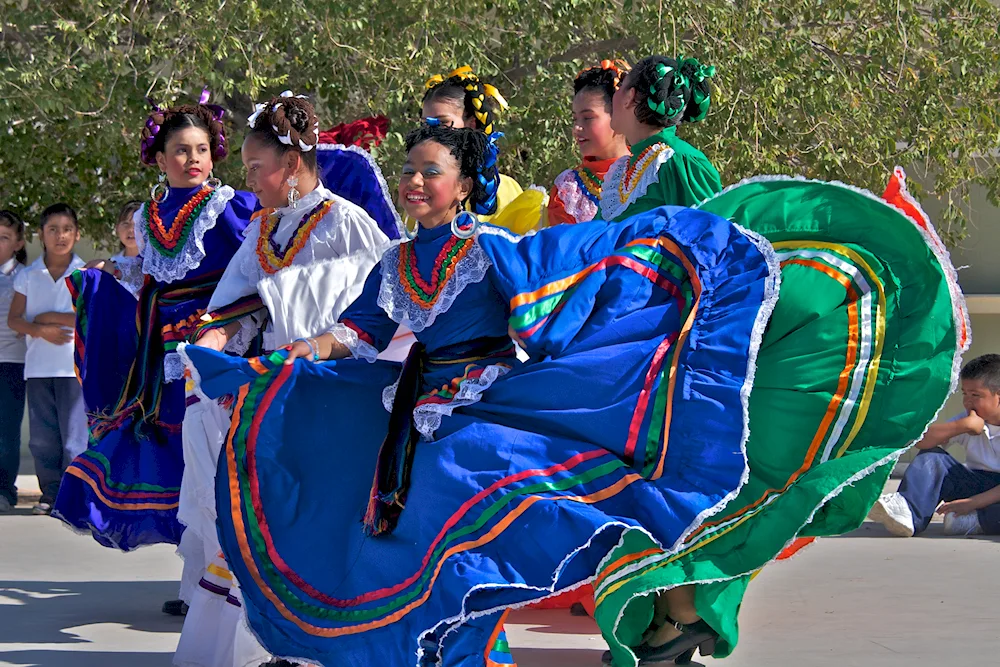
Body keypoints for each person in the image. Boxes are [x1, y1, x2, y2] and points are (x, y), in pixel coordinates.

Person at [180, 115, 965, 667]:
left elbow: (580, 265)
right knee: (365, 523)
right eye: (408, 170)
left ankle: (469, 648)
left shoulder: (492, 249)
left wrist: (661, 261)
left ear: (462, 185)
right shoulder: (391, 262)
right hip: (403, 416)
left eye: (431, 171)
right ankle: (418, 649)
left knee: (459, 527)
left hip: (487, 407)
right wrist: (280, 362)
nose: (415, 182)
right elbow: (348, 332)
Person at [173, 91, 393, 667]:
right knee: (256, 518)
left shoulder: (348, 223)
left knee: (308, 519)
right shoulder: (262, 228)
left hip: (323, 394)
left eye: (254, 167)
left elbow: (376, 311)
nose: (249, 180)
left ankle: (311, 649)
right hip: (269, 387)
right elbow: (236, 304)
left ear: (290, 166)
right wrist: (211, 346)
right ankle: (268, 645)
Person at [52, 96, 257, 553]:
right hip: (159, 350)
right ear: (161, 159)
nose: (193, 160)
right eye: (182, 150)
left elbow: (258, 267)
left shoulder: (228, 207)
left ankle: (224, 577)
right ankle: (197, 575)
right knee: (176, 452)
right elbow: (149, 272)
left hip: (215, 342)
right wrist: (107, 278)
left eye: (201, 149)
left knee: (216, 451)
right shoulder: (149, 216)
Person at [7, 204, 87, 516]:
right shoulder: (28, 276)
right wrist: (40, 329)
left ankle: (74, 498)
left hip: (74, 369)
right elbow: (15, 320)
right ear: (41, 235)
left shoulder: (85, 274)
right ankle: (50, 495)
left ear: (77, 234)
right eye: (52, 229)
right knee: (41, 440)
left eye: (67, 229)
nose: (60, 235)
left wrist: (50, 317)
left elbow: (90, 318)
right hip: (38, 369)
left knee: (74, 440)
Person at [870, 354, 1000, 537]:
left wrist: (972, 503)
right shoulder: (969, 420)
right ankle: (909, 512)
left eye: (976, 395)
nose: (967, 401)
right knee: (933, 456)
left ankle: (974, 521)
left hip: (990, 499)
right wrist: (961, 426)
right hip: (975, 484)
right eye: (965, 394)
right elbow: (922, 442)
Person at [600, 55, 722, 222]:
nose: (614, 95)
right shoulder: (622, 170)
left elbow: (710, 236)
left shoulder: (678, 161)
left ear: (630, 97)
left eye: (620, 86)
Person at [421, 65, 528, 228]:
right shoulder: (420, 187)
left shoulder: (505, 190)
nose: (431, 133)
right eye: (425, 124)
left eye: (442, 122)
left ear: (471, 124)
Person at [547, 60, 631, 226]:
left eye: (588, 118)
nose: (577, 128)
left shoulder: (652, 171)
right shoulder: (568, 190)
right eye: (574, 119)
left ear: (619, 115)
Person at [0, 210, 28, 513]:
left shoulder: (24, 277)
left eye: (4, 238)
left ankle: (5, 490)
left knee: (6, 431)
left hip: (11, 363)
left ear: (18, 243)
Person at [109, 200, 144, 297]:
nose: (131, 230)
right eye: (126, 224)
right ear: (117, 228)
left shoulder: (155, 267)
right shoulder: (110, 264)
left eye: (137, 224)